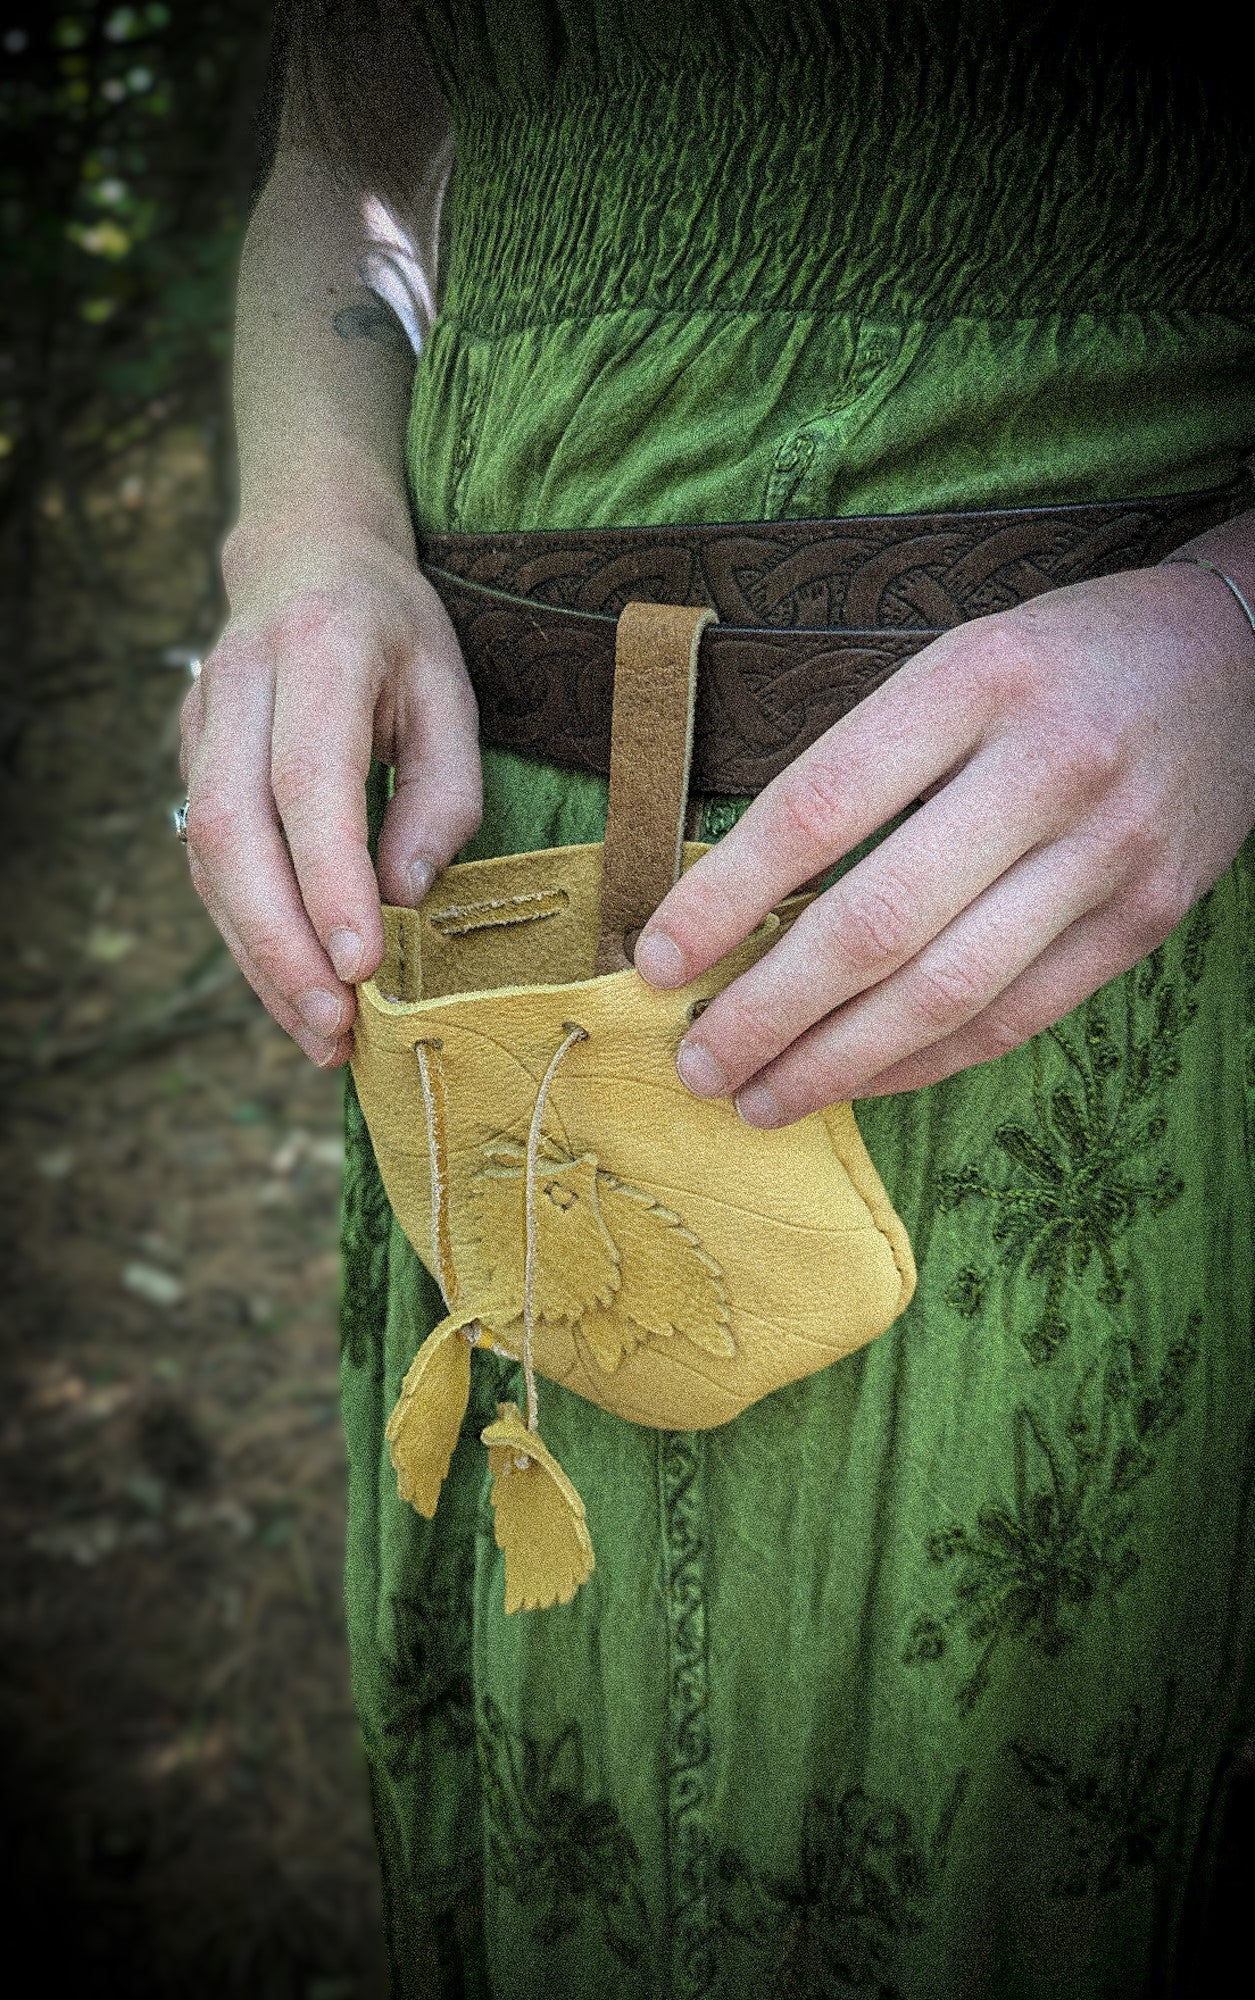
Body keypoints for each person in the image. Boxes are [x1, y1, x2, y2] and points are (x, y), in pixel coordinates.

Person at [179, 3, 1255, 1993]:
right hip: (487, 904)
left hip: (1081, 913)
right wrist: (308, 529)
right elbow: (342, 156)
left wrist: (1242, 626)